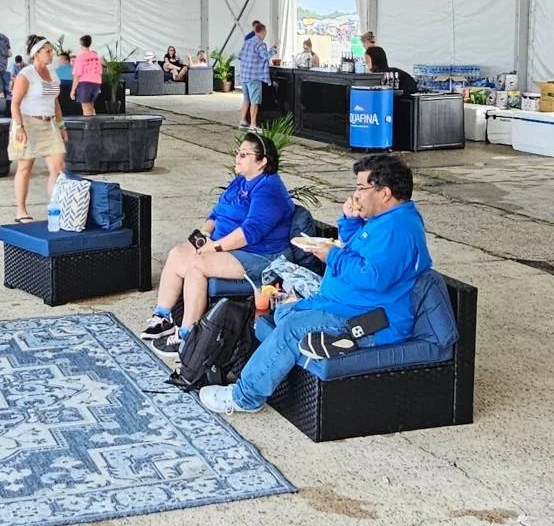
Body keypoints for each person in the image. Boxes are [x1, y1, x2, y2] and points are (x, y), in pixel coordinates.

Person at [199, 155, 446, 414]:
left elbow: (372, 277)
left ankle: (245, 397)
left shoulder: (399, 229)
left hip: (369, 319)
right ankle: (327, 344)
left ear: (385, 193)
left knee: (292, 327)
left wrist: (332, 255)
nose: (356, 194)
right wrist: (351, 223)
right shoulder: (386, 220)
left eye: (361, 188)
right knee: (284, 311)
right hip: (346, 305)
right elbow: (360, 254)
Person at [140, 132, 294, 358]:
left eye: (244, 154)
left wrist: (215, 247)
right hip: (225, 244)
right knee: (176, 254)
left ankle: (187, 336)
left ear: (262, 162)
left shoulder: (269, 188)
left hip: (258, 255)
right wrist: (205, 233)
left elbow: (249, 233)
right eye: (237, 153)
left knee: (197, 268)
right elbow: (216, 213)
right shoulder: (241, 181)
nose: (237, 158)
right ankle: (163, 317)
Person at [10, 34, 67, 223]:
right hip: (28, 123)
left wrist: (61, 125)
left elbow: (55, 101)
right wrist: (19, 127)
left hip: (49, 123)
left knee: (58, 166)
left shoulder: (52, 72)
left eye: (52, 51)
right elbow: (15, 103)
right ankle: (21, 210)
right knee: (25, 167)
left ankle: (56, 207)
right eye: (48, 51)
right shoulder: (26, 74)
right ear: (36, 53)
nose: (51, 55)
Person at [237, 21, 271, 130]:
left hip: (244, 76)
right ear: (261, 32)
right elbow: (265, 56)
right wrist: (274, 48)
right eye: (265, 33)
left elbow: (240, 56)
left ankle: (242, 120)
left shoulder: (247, 42)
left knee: (246, 100)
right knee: (254, 102)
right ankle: (253, 124)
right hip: (254, 77)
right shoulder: (260, 44)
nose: (265, 35)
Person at [71, 34, 103, 116]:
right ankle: (94, 125)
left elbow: (77, 75)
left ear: (81, 44)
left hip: (85, 83)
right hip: (96, 82)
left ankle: (89, 126)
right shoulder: (96, 56)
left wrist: (73, 90)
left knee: (86, 106)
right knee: (91, 106)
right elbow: (100, 71)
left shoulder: (80, 56)